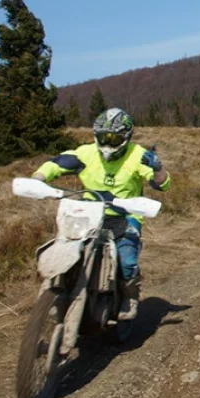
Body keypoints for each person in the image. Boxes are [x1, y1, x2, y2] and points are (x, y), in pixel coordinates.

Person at [32, 108, 171, 320]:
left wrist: (158, 167)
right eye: (103, 137)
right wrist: (38, 179)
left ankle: (129, 296)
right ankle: (59, 290)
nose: (108, 143)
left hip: (125, 215)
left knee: (126, 259)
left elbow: (161, 184)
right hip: (88, 213)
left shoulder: (138, 155)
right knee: (64, 247)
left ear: (126, 137)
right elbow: (57, 163)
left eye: (114, 138)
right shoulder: (86, 153)